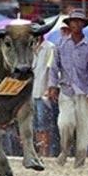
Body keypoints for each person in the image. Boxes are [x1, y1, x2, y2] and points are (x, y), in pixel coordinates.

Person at [48, 9, 88, 168]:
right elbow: (53, 67)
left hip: (85, 92)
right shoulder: (61, 44)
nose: (76, 24)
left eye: (79, 21)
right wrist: (52, 85)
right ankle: (64, 150)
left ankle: (80, 160)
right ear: (69, 24)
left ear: (84, 24)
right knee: (65, 123)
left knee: (84, 128)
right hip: (66, 90)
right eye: (73, 21)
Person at [32, 18, 59, 157]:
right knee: (35, 125)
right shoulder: (29, 48)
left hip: (43, 91)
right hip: (31, 93)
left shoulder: (50, 47)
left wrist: (51, 88)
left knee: (44, 125)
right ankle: (38, 152)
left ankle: (45, 153)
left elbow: (52, 70)